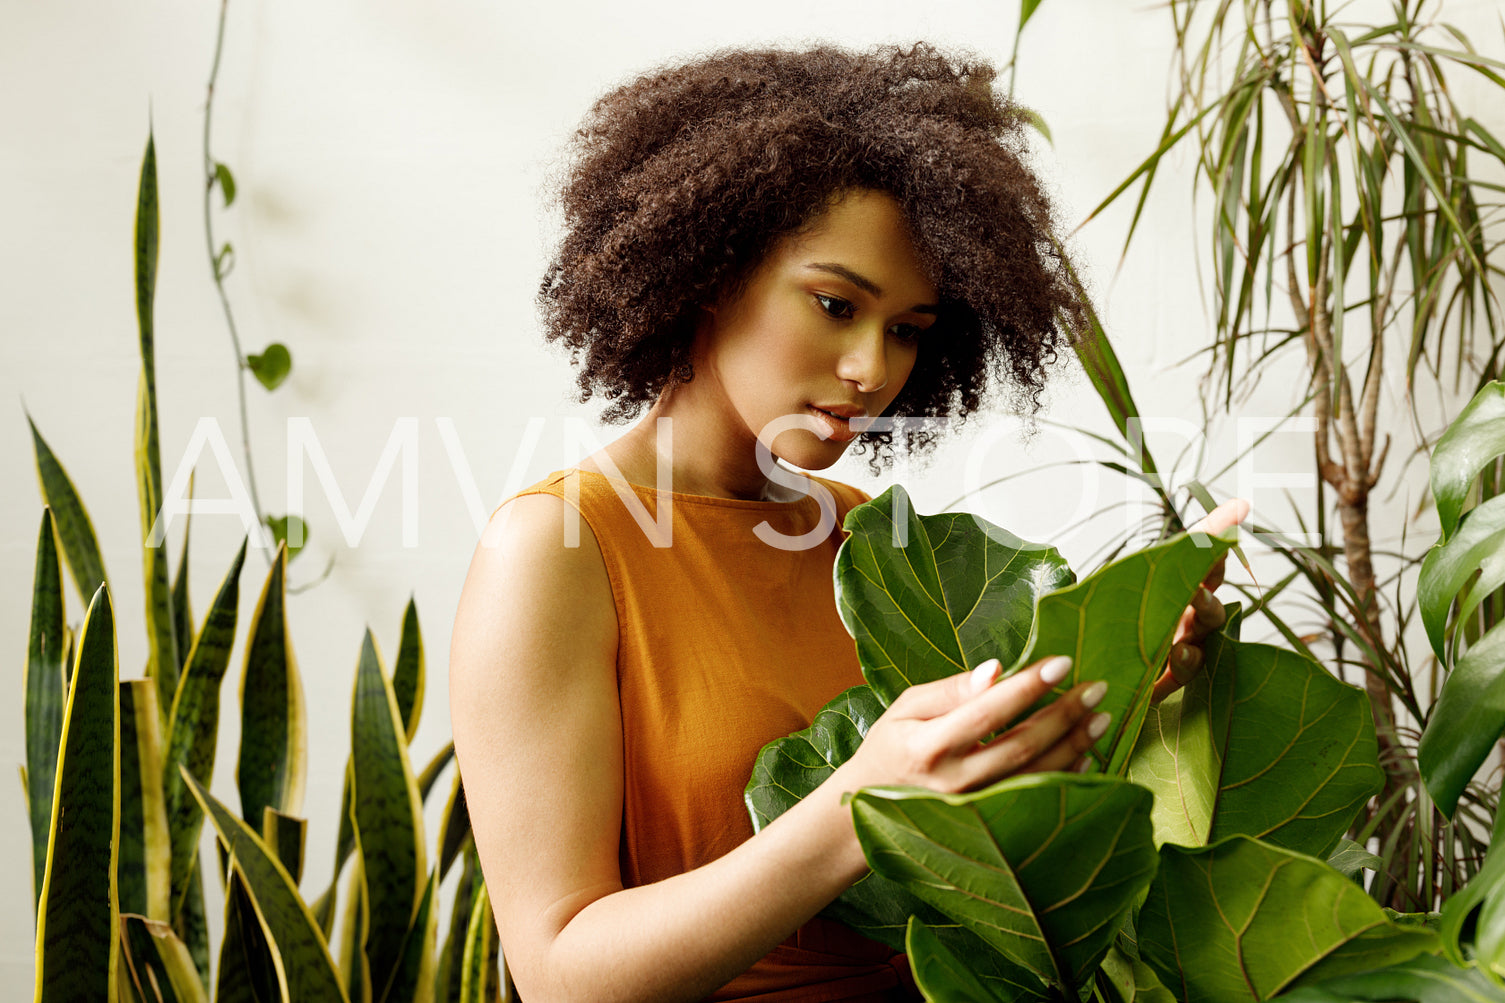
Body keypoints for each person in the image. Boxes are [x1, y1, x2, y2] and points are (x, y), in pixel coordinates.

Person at [450, 43, 1245, 1003]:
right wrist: (855, 806)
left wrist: (1125, 681)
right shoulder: (557, 551)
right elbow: (559, 977)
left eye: (908, 328)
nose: (874, 368)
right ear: (710, 269)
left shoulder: (863, 540)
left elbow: (963, 834)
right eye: (835, 305)